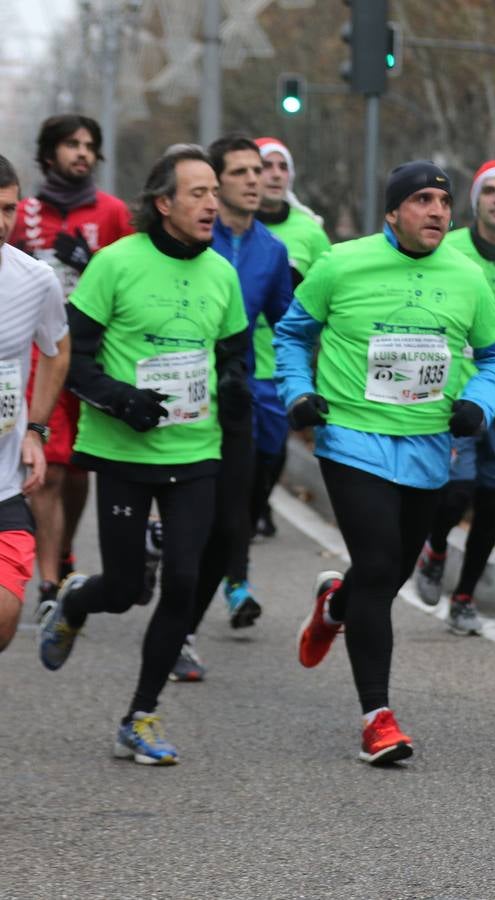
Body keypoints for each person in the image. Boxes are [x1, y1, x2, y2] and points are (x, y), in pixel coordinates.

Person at [273, 161, 495, 764]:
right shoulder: (340, 264)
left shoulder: (465, 277)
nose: (437, 212)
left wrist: (479, 406)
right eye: (422, 201)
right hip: (352, 439)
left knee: (391, 573)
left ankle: (335, 606)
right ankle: (377, 718)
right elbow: (292, 333)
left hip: (430, 445)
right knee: (379, 568)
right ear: (391, 212)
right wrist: (297, 393)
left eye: (443, 201)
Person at [37, 144, 251, 765]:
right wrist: (122, 400)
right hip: (123, 448)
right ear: (163, 204)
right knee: (129, 588)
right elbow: (71, 356)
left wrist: (236, 386)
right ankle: (78, 600)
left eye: (215, 191)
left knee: (182, 581)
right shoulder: (115, 264)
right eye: (198, 193)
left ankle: (141, 715)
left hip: (195, 448)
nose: (212, 203)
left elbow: (235, 352)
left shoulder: (222, 273)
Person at [166, 134, 294, 683]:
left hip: (237, 395)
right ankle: (174, 616)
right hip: (179, 393)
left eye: (257, 170)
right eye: (239, 172)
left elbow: (291, 325)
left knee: (231, 517)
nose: (254, 179)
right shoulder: (193, 238)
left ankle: (184, 630)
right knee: (191, 522)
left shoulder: (272, 250)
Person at [6, 114, 133, 621]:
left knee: (80, 471)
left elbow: (133, 274)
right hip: (42, 357)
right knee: (51, 469)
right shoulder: (24, 210)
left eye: (89, 146)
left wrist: (89, 260)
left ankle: (64, 549)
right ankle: (49, 582)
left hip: (97, 355)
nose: (81, 153)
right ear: (49, 152)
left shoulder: (113, 211)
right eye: (71, 144)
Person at [413, 160, 495, 635]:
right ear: (476, 201)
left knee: (492, 503)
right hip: (452, 397)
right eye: (491, 191)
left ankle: (464, 596)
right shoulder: (450, 247)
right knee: (454, 492)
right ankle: (436, 547)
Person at [0, 155, 69, 652]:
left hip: (2, 484)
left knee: (4, 618)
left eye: (7, 209)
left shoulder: (34, 279)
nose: (0, 221)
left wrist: (35, 430)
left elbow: (57, 351)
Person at [252, 136, 331, 538]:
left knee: (271, 446)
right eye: (267, 166)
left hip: (281, 358)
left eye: (282, 167)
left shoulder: (309, 231)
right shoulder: (232, 225)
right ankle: (242, 511)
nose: (275, 174)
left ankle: (261, 499)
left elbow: (331, 292)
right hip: (233, 356)